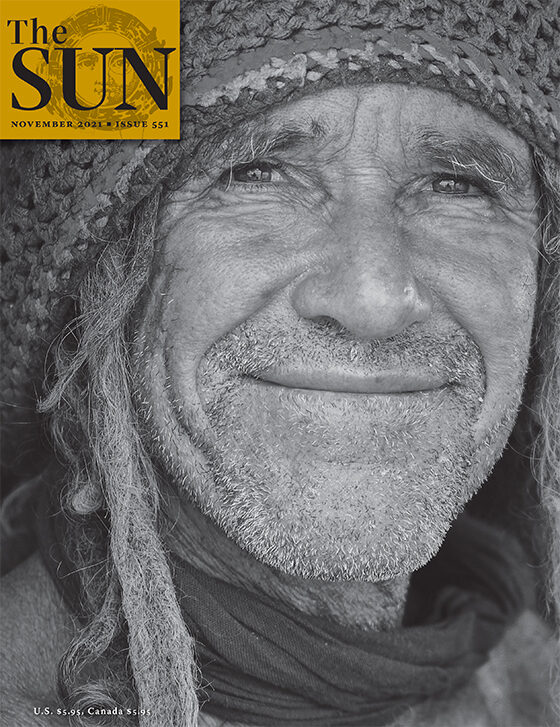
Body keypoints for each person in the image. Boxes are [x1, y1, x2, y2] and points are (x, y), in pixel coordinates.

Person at [1, 1, 559, 725]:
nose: (374, 297)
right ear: (96, 305)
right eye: (256, 174)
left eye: (457, 185)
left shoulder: (527, 675)